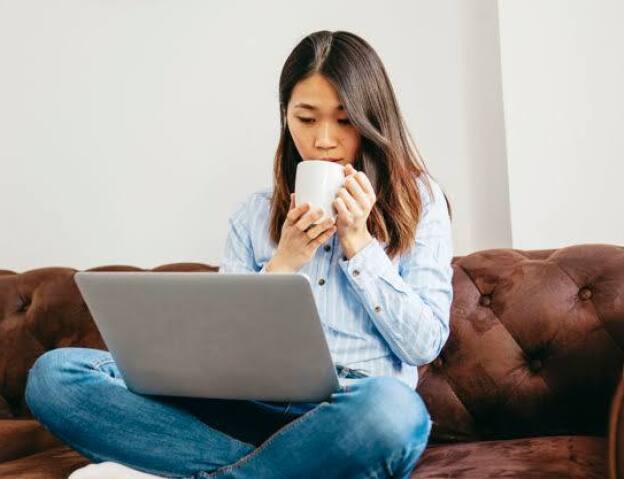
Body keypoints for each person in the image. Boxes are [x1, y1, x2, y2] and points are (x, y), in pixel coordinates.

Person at [25, 30, 454, 479]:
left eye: (344, 121)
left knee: (394, 413)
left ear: (372, 120)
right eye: (306, 119)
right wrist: (284, 263)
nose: (324, 140)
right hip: (243, 412)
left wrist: (359, 244)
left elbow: (422, 345)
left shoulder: (418, 202)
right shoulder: (252, 216)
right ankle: (271, 469)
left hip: (346, 413)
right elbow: (221, 351)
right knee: (55, 375)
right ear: (285, 118)